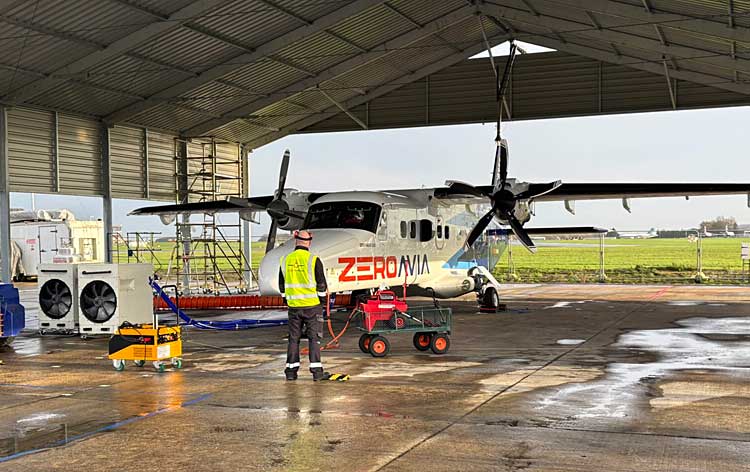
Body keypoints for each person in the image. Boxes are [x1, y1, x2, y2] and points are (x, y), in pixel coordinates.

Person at [279, 229, 329, 381]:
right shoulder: (313, 260)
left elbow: (282, 285)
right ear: (309, 243)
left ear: (296, 241)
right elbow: (321, 285)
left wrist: (287, 300)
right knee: (314, 339)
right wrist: (322, 302)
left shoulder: (285, 259)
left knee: (293, 339)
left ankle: (291, 372)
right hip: (312, 306)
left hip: (294, 307)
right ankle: (317, 372)